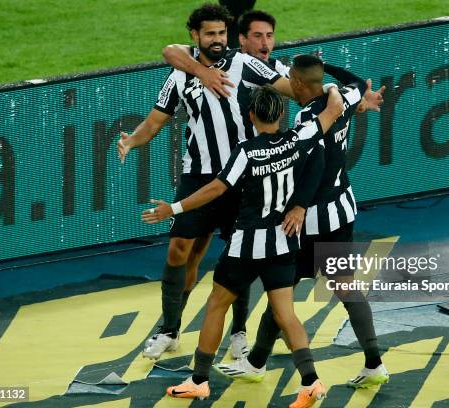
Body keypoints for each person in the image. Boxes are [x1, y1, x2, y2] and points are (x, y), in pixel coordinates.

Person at [143, 83, 344, 406]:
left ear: (250, 116)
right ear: (280, 114)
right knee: (286, 315)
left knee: (216, 305)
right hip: (283, 243)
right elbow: (334, 110)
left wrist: (174, 208)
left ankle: (198, 380)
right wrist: (332, 86)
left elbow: (214, 190)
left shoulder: (246, 151)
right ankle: (311, 382)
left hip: (247, 245)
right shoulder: (298, 138)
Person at [117, 3, 294, 361]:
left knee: (240, 255)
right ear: (195, 36)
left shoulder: (245, 63)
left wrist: (336, 98)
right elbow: (155, 121)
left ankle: (239, 332)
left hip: (243, 173)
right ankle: (169, 329)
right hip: (198, 174)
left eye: (222, 33)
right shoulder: (181, 75)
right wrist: (133, 140)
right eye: (210, 34)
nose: (217, 40)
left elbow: (287, 87)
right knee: (178, 248)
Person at [215, 55, 390, 389]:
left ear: (296, 84)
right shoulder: (346, 98)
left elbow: (314, 164)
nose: (287, 83)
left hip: (309, 219)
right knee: (346, 285)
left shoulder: (308, 117)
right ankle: (374, 363)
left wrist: (297, 206)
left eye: (290, 78)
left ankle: (256, 362)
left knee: (283, 290)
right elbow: (355, 81)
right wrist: (330, 81)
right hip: (342, 207)